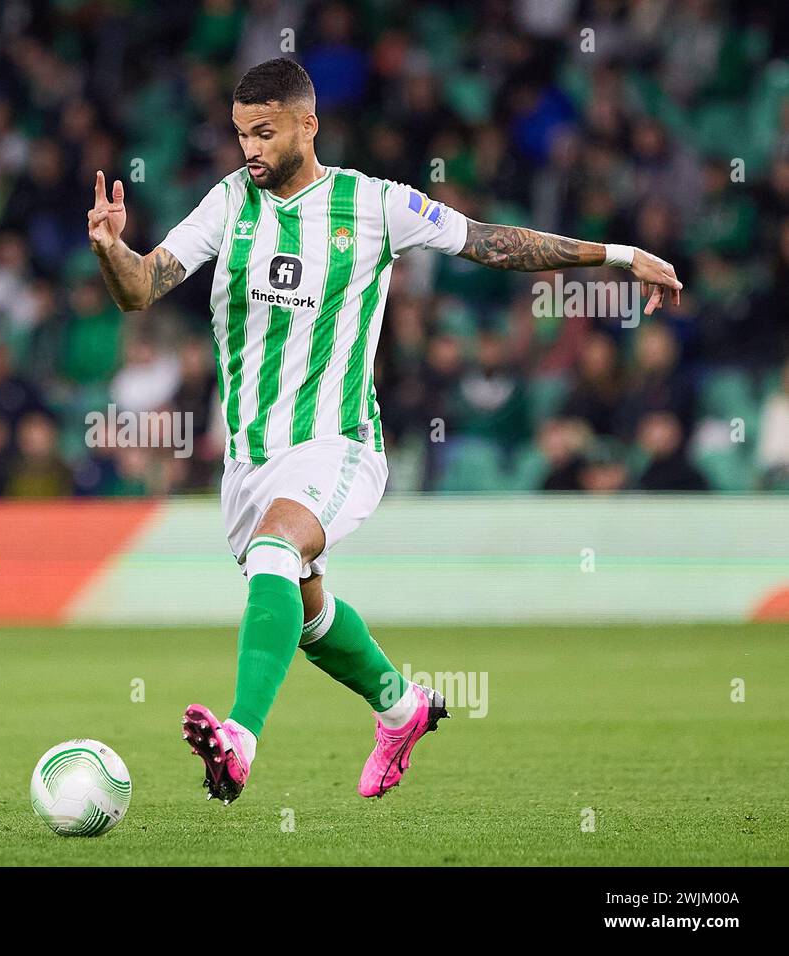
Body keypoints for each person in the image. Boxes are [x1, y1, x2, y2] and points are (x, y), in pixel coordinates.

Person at [87, 58, 684, 804]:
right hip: (248, 460)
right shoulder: (227, 203)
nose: (250, 150)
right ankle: (402, 710)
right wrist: (113, 251)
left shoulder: (372, 205)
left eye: (264, 133)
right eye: (241, 134)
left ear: (308, 123)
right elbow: (142, 290)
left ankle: (239, 739)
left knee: (277, 551)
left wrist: (623, 256)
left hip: (338, 445)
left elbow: (492, 242)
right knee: (303, 612)